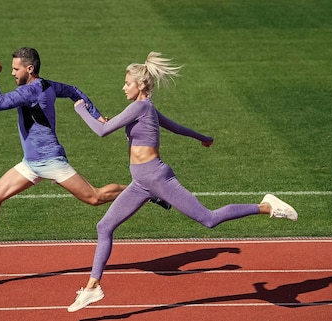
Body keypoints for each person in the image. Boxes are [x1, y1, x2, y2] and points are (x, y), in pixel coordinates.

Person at [67, 52, 298, 312]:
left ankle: (265, 206)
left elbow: (101, 131)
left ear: (140, 85)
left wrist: (81, 110)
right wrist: (202, 137)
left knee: (209, 219)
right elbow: (175, 127)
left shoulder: (140, 107)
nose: (123, 87)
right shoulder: (146, 109)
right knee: (104, 226)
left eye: (127, 83)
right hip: (141, 183)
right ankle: (92, 287)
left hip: (156, 178)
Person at [0, 47, 170, 271]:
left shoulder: (30, 91)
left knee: (95, 197)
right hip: (30, 163)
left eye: (15, 69)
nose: (12, 73)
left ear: (29, 69)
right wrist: (97, 114)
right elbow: (74, 91)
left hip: (51, 161)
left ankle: (146, 191)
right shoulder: (48, 86)